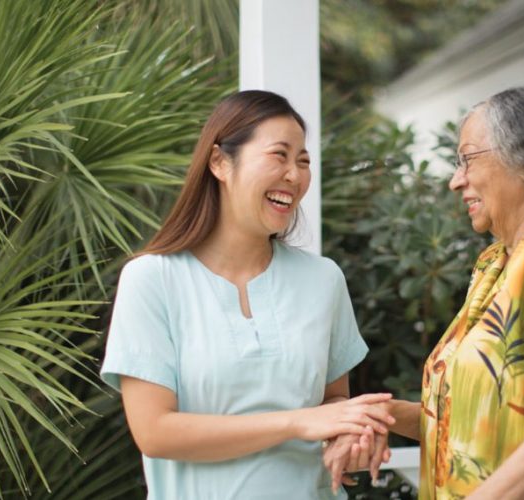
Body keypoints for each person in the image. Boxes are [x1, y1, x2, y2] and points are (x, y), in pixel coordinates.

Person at [342, 86, 524, 499]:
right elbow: (478, 419)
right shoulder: (495, 263)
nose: (454, 180)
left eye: (467, 159)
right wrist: (384, 415)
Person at [100, 90, 394, 499]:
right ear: (220, 162)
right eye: (280, 155)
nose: (295, 174)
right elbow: (155, 432)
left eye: (303, 161)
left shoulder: (324, 279)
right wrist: (295, 423)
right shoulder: (151, 279)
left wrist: (347, 438)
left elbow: (332, 406)